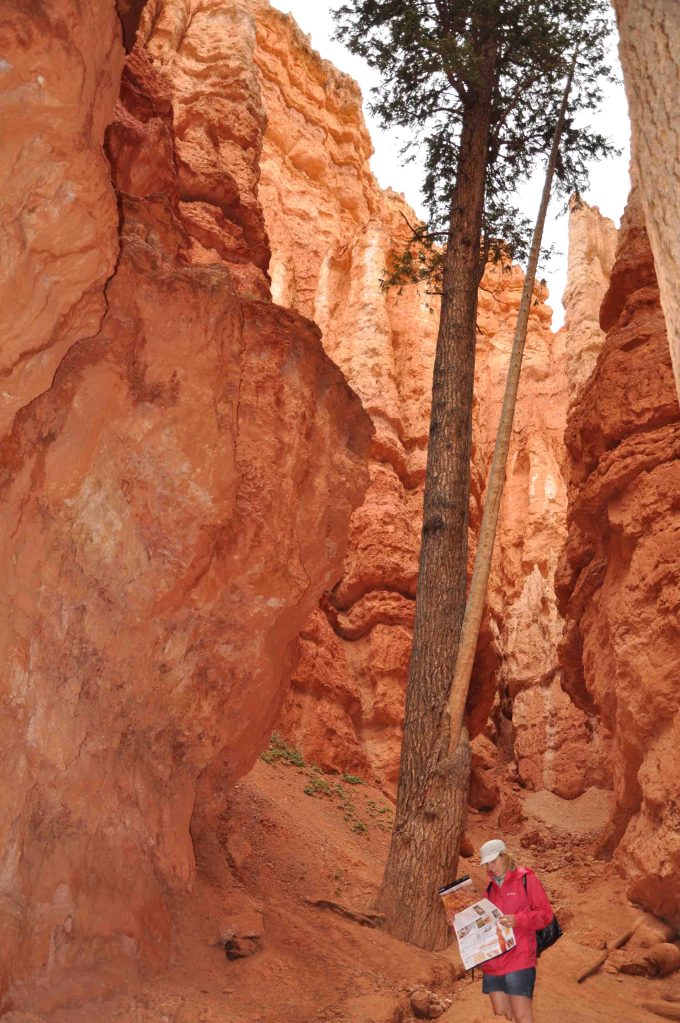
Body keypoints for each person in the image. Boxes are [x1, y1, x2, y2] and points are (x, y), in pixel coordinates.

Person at [479, 838, 554, 1023]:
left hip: (520, 955)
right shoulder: (490, 888)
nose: (491, 867)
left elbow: (545, 914)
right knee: (503, 1012)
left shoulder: (527, 880)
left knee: (522, 1016)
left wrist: (518, 919)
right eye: (487, 863)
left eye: (494, 861)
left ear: (505, 856)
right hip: (495, 959)